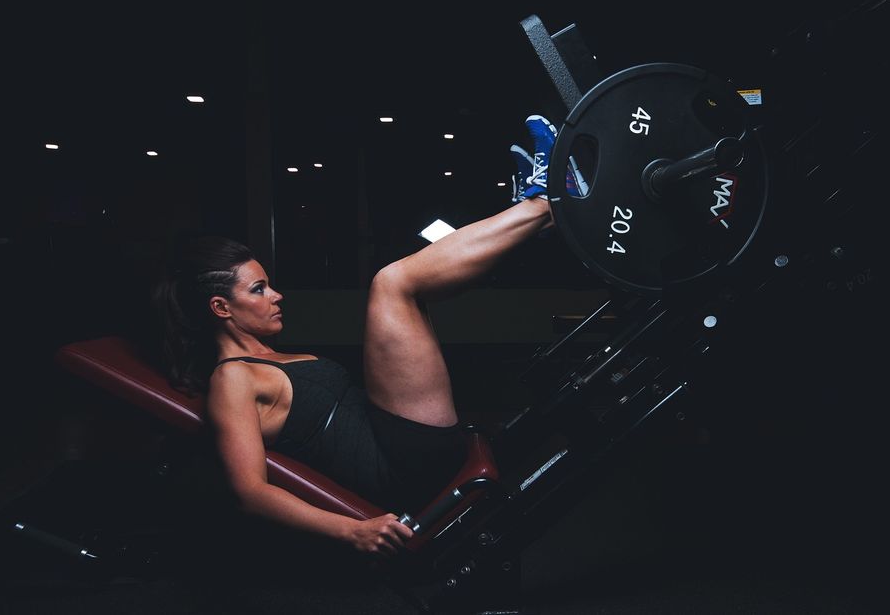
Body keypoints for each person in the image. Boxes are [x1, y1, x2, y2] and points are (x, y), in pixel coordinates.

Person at [153, 116, 581, 559]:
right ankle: (541, 204)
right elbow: (249, 492)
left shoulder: (267, 358)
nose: (277, 296)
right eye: (259, 290)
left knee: (415, 292)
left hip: (399, 441)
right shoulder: (233, 381)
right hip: (400, 466)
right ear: (221, 309)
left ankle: (535, 221)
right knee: (392, 284)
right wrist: (351, 530)